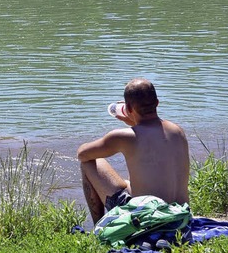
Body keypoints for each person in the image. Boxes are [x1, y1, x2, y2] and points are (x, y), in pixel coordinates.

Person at [77, 78, 189, 222]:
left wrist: (131, 125)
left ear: (128, 109)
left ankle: (98, 227)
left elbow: (82, 154)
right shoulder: (177, 131)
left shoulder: (124, 136)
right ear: (157, 103)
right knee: (127, 182)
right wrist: (134, 122)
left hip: (148, 219)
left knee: (89, 163)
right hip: (181, 216)